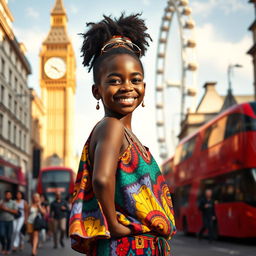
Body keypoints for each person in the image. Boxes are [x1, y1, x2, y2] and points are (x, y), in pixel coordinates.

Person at [69, 13, 176, 256]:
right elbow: (102, 180)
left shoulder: (127, 135)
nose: (127, 86)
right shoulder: (112, 127)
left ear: (144, 88)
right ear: (97, 91)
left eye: (135, 79)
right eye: (115, 80)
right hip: (126, 247)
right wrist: (114, 224)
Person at [0, 190, 18, 255]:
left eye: (9, 195)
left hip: (10, 221)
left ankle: (7, 249)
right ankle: (3, 247)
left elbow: (16, 212)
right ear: (5, 195)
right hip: (2, 221)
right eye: (7, 195)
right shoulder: (1, 202)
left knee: (9, 236)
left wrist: (7, 209)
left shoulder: (13, 202)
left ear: (11, 196)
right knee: (1, 235)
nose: (8, 196)